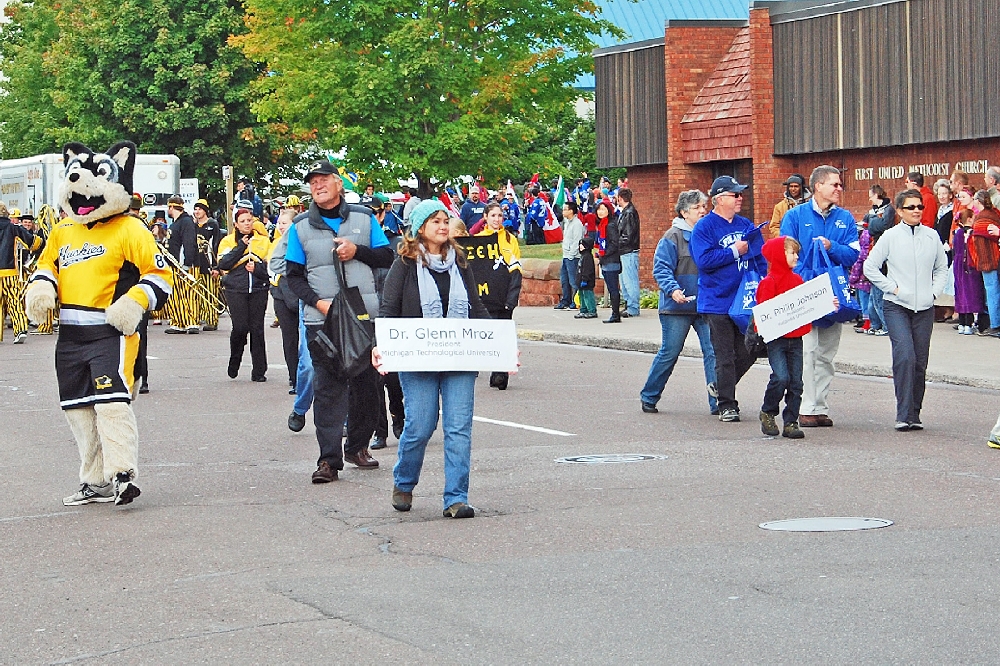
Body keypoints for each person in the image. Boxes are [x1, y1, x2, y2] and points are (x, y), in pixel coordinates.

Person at [373, 199, 492, 519]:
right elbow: (388, 311)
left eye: (445, 220)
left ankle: (455, 497)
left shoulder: (460, 262)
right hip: (418, 360)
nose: (443, 225)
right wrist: (380, 345)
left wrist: (500, 346)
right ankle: (404, 481)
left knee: (458, 428)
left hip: (459, 359)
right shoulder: (405, 263)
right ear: (420, 228)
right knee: (421, 425)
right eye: (435, 221)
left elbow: (476, 308)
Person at [284, 159, 394, 483]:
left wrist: (356, 250)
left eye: (323, 180)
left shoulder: (363, 217)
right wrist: (320, 304)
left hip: (363, 316)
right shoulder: (300, 226)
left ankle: (357, 445)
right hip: (323, 320)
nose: (317, 186)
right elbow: (293, 277)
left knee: (368, 387)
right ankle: (328, 461)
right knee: (328, 388)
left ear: (338, 184)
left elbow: (386, 257)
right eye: (313, 183)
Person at [779, 166, 860, 428]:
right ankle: (805, 407)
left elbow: (853, 255)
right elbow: (786, 255)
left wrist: (831, 246)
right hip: (805, 293)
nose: (839, 188)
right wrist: (806, 281)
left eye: (839, 185)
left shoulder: (845, 218)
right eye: (834, 184)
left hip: (834, 293)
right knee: (808, 351)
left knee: (826, 353)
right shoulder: (794, 216)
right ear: (818, 187)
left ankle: (819, 406)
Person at [863, 189, 948, 431]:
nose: (917, 211)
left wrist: (934, 292)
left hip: (925, 307)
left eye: (919, 207)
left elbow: (942, 268)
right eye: (910, 207)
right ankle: (903, 413)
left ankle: (914, 413)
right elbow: (871, 268)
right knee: (905, 356)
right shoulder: (890, 236)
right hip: (896, 305)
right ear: (899, 211)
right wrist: (893, 288)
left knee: (920, 362)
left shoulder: (931, 236)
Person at [691, 176, 765, 422]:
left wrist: (765, 282)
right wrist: (735, 251)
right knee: (724, 354)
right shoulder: (705, 227)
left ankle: (721, 385)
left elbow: (760, 258)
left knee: (751, 349)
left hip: (744, 301)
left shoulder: (746, 225)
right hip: (717, 301)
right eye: (735, 195)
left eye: (741, 194)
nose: (740, 198)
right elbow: (703, 261)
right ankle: (727, 405)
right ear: (720, 199)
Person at [640, 190, 718, 416]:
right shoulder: (672, 237)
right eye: (697, 208)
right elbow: (661, 268)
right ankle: (649, 396)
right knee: (670, 352)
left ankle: (718, 403)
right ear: (684, 212)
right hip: (676, 307)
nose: (703, 211)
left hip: (705, 305)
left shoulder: (709, 235)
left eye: (704, 207)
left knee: (713, 352)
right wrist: (673, 290)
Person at [756, 237, 811, 439]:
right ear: (780, 255)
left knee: (796, 381)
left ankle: (791, 421)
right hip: (776, 340)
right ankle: (768, 412)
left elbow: (807, 305)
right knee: (781, 377)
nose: (796, 256)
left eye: (797, 252)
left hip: (795, 338)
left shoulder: (797, 281)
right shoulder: (768, 283)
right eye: (791, 252)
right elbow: (762, 313)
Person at [474, 202, 523, 390]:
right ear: (485, 217)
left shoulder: (510, 239)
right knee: (485, 335)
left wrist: (511, 299)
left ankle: (500, 374)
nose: (497, 219)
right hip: (484, 297)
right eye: (493, 215)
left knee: (503, 335)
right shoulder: (477, 239)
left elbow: (516, 270)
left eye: (500, 216)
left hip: (503, 297)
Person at [218, 207, 271, 382]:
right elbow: (224, 264)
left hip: (258, 289)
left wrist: (258, 269)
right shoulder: (227, 241)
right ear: (236, 224)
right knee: (240, 328)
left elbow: (271, 268)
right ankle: (235, 360)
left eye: (249, 220)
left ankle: (259, 371)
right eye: (243, 221)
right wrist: (241, 246)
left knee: (257, 329)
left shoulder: (263, 241)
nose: (247, 223)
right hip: (235, 289)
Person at [0, 202, 42, 344]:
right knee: (14, 301)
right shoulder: (12, 228)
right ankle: (20, 330)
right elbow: (32, 242)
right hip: (10, 270)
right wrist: (40, 242)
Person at [268, 209, 299, 390]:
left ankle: (306, 374)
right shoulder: (275, 243)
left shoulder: (298, 242)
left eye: (284, 223)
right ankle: (293, 376)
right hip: (279, 293)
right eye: (279, 223)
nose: (280, 226)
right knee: (289, 337)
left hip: (297, 293)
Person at [862, 184, 895, 336]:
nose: (869, 198)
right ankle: (876, 324)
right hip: (874, 250)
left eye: (871, 195)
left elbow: (883, 225)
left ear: (877, 194)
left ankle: (886, 325)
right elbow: (866, 226)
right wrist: (873, 224)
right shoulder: (874, 212)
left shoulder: (888, 209)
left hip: (885, 254)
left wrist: (872, 223)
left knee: (879, 292)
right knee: (873, 293)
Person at [164, 196, 201, 334]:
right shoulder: (176, 223)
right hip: (174, 264)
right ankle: (178, 322)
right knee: (176, 294)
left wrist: (186, 264)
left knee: (188, 293)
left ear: (172, 207)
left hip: (185, 265)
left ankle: (191, 322)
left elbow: (188, 243)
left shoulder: (186, 222)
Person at [951, 189, 983, 335]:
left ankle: (962, 323)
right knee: (970, 293)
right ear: (969, 219)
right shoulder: (970, 233)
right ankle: (968, 323)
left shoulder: (957, 232)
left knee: (961, 293)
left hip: (958, 265)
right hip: (969, 265)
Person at [969, 190, 1000, 336]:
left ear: (978, 201)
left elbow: (980, 232)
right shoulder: (994, 214)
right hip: (991, 259)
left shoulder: (982, 218)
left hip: (988, 260)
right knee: (992, 291)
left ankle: (995, 324)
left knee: (992, 291)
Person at [192, 199, 224, 331]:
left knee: (210, 292)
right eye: (195, 209)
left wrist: (217, 266)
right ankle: (199, 316)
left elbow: (216, 245)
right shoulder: (192, 226)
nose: (197, 212)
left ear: (205, 210)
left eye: (199, 209)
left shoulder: (212, 224)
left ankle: (212, 319)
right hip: (196, 263)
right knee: (197, 292)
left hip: (209, 263)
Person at [595, 198, 623, 323]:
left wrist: (604, 253)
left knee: (613, 289)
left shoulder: (611, 225)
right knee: (611, 288)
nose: (600, 212)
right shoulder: (602, 225)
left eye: (603, 209)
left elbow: (614, 243)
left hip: (611, 260)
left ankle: (616, 314)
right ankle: (615, 313)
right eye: (598, 210)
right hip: (605, 260)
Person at [555, 200, 585, 310]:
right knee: (564, 280)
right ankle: (565, 300)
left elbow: (577, 241)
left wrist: (571, 255)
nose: (563, 211)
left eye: (565, 209)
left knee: (573, 281)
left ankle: (576, 301)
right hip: (566, 256)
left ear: (571, 211)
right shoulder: (567, 223)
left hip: (573, 257)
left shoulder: (577, 224)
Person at [616, 187, 641, 318]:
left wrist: (616, 242)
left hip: (628, 251)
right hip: (625, 251)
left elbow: (628, 235)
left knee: (630, 280)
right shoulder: (627, 212)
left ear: (620, 198)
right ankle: (629, 305)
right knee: (625, 280)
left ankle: (633, 307)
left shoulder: (629, 213)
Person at [767, 174, 809, 240]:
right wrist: (783, 238)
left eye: (796, 186)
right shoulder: (780, 207)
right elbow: (774, 226)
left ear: (802, 187)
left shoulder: (809, 204)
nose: (793, 189)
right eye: (791, 186)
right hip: (787, 244)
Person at [575, 235, 598, 319]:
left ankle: (592, 310)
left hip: (587, 281)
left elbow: (587, 270)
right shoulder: (582, 256)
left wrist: (585, 279)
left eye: (582, 245)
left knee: (588, 296)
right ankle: (583, 310)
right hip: (580, 281)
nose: (580, 246)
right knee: (582, 296)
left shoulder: (588, 257)